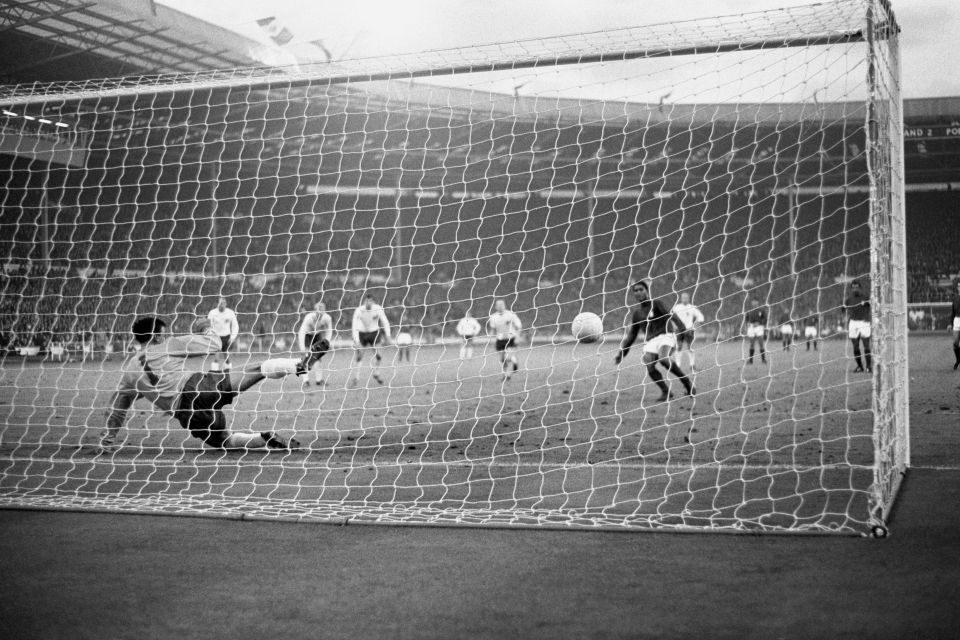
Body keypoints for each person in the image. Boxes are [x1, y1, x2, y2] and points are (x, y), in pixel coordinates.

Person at [99, 316, 329, 452]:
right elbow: (214, 344)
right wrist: (205, 328)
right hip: (197, 387)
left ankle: (264, 439)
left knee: (225, 441)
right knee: (257, 369)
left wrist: (109, 438)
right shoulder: (168, 345)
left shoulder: (129, 370)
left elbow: (119, 407)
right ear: (157, 336)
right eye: (163, 333)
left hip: (185, 414)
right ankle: (299, 365)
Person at [615, 280, 694, 402]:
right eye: (635, 291)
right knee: (649, 366)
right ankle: (666, 392)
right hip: (651, 341)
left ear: (647, 291)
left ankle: (686, 382)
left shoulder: (656, 304)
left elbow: (671, 315)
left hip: (666, 335)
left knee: (663, 359)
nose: (638, 292)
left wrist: (682, 328)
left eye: (641, 289)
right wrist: (622, 353)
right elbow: (632, 336)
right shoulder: (637, 314)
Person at [350, 294, 393, 387]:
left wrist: (388, 335)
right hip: (362, 333)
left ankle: (376, 373)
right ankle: (356, 377)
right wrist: (356, 340)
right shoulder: (359, 310)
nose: (368, 303)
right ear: (364, 301)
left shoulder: (378, 309)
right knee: (359, 356)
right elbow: (354, 325)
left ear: (373, 302)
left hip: (374, 333)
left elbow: (385, 321)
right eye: (366, 301)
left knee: (379, 355)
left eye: (370, 301)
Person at [297, 301, 334, 387]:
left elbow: (329, 330)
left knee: (318, 357)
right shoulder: (308, 318)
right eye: (318, 311)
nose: (320, 314)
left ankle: (319, 380)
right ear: (315, 311)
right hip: (307, 335)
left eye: (322, 311)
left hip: (317, 335)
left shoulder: (327, 318)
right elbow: (302, 331)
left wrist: (327, 341)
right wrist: (302, 347)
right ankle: (306, 381)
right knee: (305, 357)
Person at [487, 299, 522, 381]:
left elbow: (518, 326)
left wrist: (517, 337)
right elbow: (492, 329)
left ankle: (513, 361)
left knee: (508, 356)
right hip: (500, 340)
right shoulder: (493, 317)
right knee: (502, 359)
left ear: (504, 305)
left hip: (510, 338)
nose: (500, 306)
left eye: (501, 304)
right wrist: (490, 338)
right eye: (498, 305)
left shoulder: (511, 315)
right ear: (495, 307)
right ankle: (507, 374)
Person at [671, 292, 705, 371]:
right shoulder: (676, 308)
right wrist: (674, 326)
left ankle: (692, 365)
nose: (685, 299)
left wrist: (694, 326)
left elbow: (701, 317)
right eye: (683, 298)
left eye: (686, 298)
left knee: (690, 347)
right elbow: (671, 318)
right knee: (678, 347)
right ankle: (678, 365)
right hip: (679, 330)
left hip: (689, 330)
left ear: (689, 298)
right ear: (681, 298)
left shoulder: (692, 307)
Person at [844, 279, 872, 373]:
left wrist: (868, 303)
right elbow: (844, 309)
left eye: (857, 287)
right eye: (853, 287)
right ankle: (860, 366)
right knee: (855, 346)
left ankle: (868, 366)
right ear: (851, 289)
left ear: (860, 288)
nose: (855, 289)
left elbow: (872, 305)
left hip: (864, 322)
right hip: (853, 323)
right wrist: (843, 308)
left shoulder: (865, 297)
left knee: (866, 345)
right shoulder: (849, 299)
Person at [207, 297, 239, 371]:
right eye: (221, 303)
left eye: (224, 303)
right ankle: (214, 373)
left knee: (226, 357)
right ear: (217, 304)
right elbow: (209, 326)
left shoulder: (230, 312)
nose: (222, 305)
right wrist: (210, 335)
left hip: (227, 337)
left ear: (226, 304)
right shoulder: (212, 313)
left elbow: (235, 326)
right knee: (217, 357)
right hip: (216, 337)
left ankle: (228, 373)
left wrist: (232, 337)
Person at [744, 298, 767, 364]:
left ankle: (763, 360)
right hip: (751, 328)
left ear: (757, 302)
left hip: (759, 327)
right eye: (752, 302)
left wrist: (759, 323)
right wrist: (747, 323)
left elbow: (765, 319)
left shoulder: (762, 310)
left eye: (755, 301)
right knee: (752, 344)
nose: (753, 303)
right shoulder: (749, 310)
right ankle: (751, 360)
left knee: (761, 343)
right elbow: (746, 319)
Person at [950, 280, 960, 370]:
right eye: (959, 286)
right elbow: (952, 312)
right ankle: (958, 360)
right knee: (955, 343)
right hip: (957, 320)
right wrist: (950, 324)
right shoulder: (955, 298)